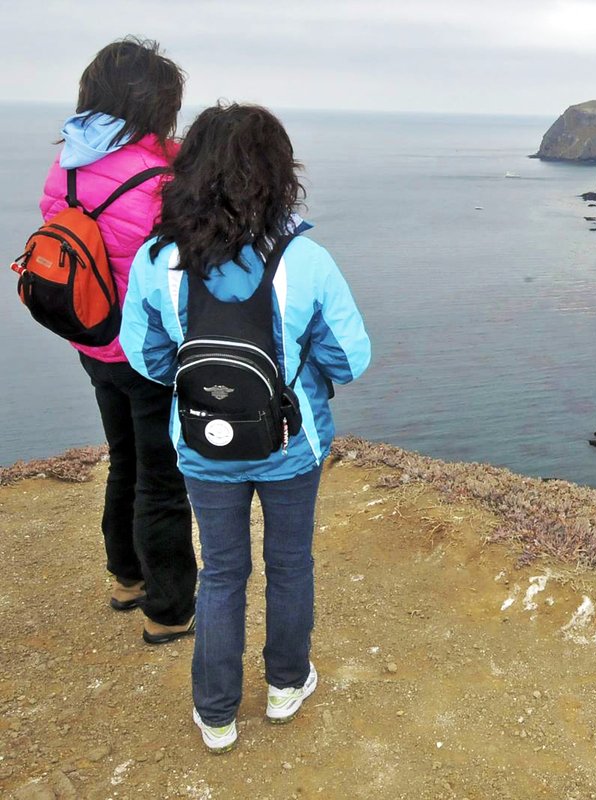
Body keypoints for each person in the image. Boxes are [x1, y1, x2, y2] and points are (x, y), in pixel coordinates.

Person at [121, 103, 371, 753]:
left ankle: (217, 712)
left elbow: (147, 358)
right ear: (278, 175)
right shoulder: (306, 260)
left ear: (190, 173)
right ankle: (287, 685)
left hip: (203, 446)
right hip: (293, 444)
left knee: (222, 571)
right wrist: (307, 371)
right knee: (289, 564)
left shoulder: (157, 260)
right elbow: (352, 356)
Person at [39, 37, 197, 643]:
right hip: (147, 350)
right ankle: (168, 608)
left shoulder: (69, 162)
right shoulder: (157, 178)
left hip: (91, 335)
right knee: (163, 476)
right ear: (156, 104)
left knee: (123, 456)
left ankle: (126, 578)